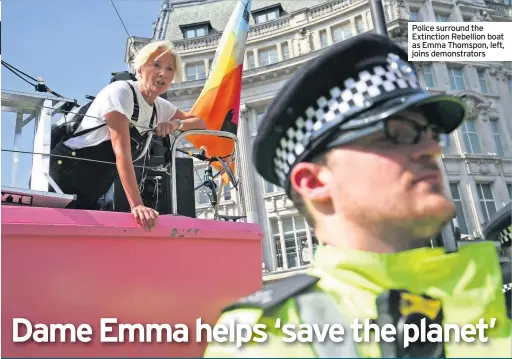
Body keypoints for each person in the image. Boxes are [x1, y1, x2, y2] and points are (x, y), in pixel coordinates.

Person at [203, 34, 511, 357]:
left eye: (432, 134)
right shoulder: (262, 337)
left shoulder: (497, 289)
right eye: (397, 134)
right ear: (313, 182)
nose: (431, 149)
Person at [49, 40, 206, 231]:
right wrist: (137, 205)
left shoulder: (159, 107)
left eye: (169, 69)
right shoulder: (121, 92)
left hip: (92, 189)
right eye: (156, 65)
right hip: (62, 177)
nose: (163, 73)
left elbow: (199, 122)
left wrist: (175, 124)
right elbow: (121, 152)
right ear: (140, 70)